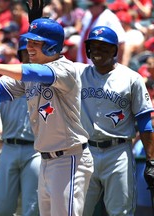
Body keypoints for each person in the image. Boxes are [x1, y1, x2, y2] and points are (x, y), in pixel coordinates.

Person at [0, 17, 94, 216]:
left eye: (36, 43)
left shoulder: (65, 68)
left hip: (69, 157)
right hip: (46, 159)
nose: (29, 47)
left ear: (52, 46)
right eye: (29, 42)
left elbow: (37, 73)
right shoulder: (28, 76)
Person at [74, 26, 154, 216]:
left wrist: (151, 160)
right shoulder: (79, 73)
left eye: (104, 47)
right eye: (94, 46)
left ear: (114, 50)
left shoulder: (131, 78)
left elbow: (144, 120)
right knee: (78, 211)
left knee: (121, 213)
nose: (98, 51)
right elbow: (46, 67)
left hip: (118, 152)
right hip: (86, 151)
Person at [0, 36, 41, 216]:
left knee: (32, 210)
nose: (29, 54)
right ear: (21, 54)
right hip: (9, 147)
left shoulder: (47, 80)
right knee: (1, 210)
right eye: (25, 51)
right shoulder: (8, 80)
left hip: (35, 149)